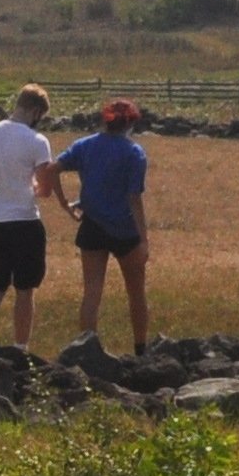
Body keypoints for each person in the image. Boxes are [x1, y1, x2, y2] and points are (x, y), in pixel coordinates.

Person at [55, 99, 156, 355]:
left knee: (92, 292)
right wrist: (143, 239)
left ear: (105, 120)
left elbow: (52, 169)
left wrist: (65, 204)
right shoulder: (134, 153)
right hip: (124, 230)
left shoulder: (85, 146)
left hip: (93, 227)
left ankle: (86, 350)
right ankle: (141, 349)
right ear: (131, 123)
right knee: (136, 293)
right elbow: (134, 198)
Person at [0, 84, 59, 353]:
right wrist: (38, 188)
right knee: (25, 289)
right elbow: (45, 188)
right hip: (24, 222)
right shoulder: (37, 141)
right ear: (37, 112)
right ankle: (20, 346)